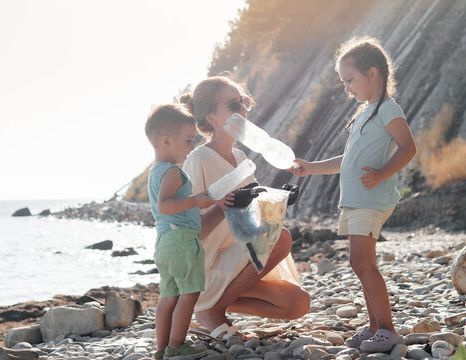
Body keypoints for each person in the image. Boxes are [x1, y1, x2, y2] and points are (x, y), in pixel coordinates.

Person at [289, 37, 416, 353]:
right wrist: (310, 167)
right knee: (359, 262)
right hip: (355, 199)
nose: (347, 88)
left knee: (362, 261)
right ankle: (375, 326)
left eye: (350, 80)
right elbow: (346, 161)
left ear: (372, 73)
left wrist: (382, 174)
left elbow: (408, 147)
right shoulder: (363, 113)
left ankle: (387, 329)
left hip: (370, 198)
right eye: (343, 82)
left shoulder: (388, 108)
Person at [180, 76, 310, 340]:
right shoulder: (198, 159)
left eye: (243, 103)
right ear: (210, 116)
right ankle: (210, 310)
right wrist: (223, 207)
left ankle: (209, 305)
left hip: (236, 263)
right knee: (281, 238)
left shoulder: (241, 158)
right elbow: (189, 231)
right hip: (206, 266)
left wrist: (280, 200)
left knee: (298, 303)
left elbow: (256, 217)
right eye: (232, 105)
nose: (241, 110)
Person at [145, 104, 233, 359]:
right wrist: (195, 200)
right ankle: (176, 345)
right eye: (187, 141)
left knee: (168, 296)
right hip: (182, 239)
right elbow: (165, 205)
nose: (191, 146)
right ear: (165, 141)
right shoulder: (173, 172)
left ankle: (161, 350)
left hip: (164, 242)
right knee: (189, 293)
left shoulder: (156, 171)